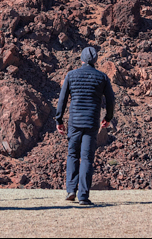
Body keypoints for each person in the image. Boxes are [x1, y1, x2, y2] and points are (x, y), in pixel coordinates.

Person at [55, 46, 115, 206]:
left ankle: (70, 190)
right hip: (91, 122)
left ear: (81, 59)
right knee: (87, 157)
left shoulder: (71, 75)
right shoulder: (102, 78)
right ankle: (83, 196)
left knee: (73, 154)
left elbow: (62, 99)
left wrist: (59, 120)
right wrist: (108, 117)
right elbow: (111, 100)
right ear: (95, 60)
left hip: (74, 122)